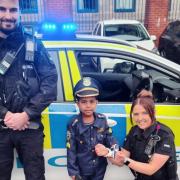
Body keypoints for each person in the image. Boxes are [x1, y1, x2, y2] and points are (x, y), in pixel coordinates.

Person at [0, 0, 57, 180]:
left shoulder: (34, 44)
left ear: (20, 12)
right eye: (2, 9)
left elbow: (50, 82)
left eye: (13, 10)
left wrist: (25, 114)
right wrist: (5, 115)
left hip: (30, 127)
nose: (8, 16)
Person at [96, 90, 179, 180]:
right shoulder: (134, 131)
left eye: (144, 113)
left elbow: (150, 169)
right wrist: (107, 152)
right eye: (136, 114)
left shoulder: (164, 134)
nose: (140, 118)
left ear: (154, 112)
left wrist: (125, 160)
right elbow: (120, 161)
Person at [66, 77, 118, 180]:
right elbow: (71, 149)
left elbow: (111, 140)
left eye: (91, 101)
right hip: (81, 170)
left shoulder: (102, 120)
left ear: (97, 102)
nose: (88, 105)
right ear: (78, 104)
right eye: (84, 102)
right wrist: (73, 172)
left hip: (99, 168)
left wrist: (113, 151)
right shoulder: (73, 123)